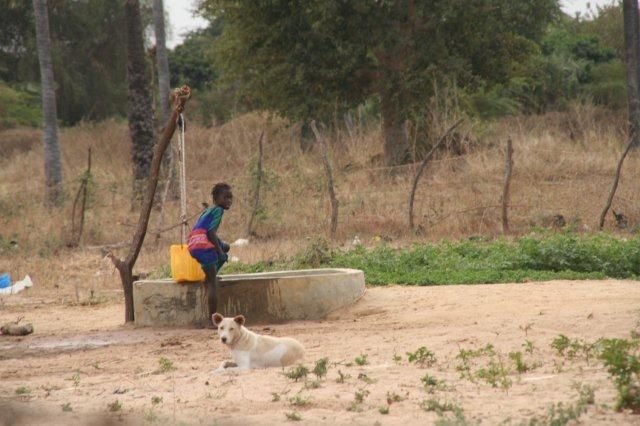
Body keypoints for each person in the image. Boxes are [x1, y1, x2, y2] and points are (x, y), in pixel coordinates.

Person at [187, 183, 233, 328]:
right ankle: (212, 321)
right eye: (225, 197)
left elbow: (202, 230)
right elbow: (211, 232)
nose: (228, 201)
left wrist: (221, 247)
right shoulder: (218, 210)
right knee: (213, 284)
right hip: (203, 246)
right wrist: (219, 252)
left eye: (230, 198)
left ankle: (210, 276)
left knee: (225, 247)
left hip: (194, 244)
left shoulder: (208, 211)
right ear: (216, 198)